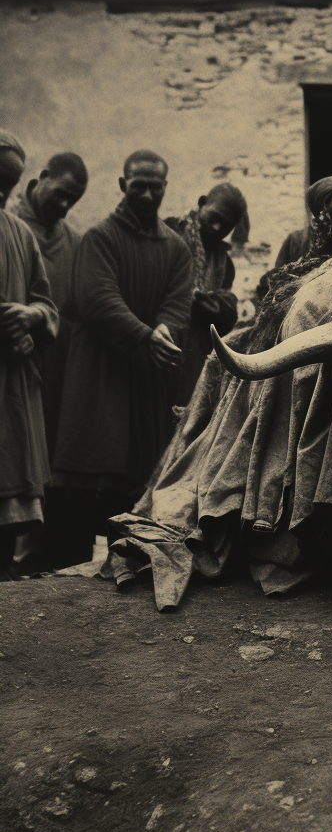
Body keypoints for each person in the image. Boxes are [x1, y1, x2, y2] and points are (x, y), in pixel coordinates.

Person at [50, 150, 193, 566]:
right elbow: (96, 299)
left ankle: (127, 564)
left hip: (146, 377)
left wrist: (166, 329)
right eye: (138, 185)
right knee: (88, 474)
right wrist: (147, 335)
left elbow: (178, 302)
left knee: (138, 478)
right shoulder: (99, 237)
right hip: (99, 375)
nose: (147, 194)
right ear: (122, 185)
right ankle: (66, 566)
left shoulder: (177, 248)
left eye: (155, 186)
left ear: (165, 187)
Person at [0, 132, 59, 576]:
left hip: (12, 396)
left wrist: (30, 317)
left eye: (8, 184)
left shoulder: (19, 234)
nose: (1, 192)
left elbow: (47, 304)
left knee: (6, 521)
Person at [10, 152, 88, 456]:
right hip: (15, 358)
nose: (66, 206)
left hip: (58, 368)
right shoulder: (10, 227)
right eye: (61, 194)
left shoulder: (74, 241)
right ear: (42, 177)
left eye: (74, 200)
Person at [166, 182, 249, 409]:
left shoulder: (225, 263)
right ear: (202, 203)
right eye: (214, 216)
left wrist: (216, 306)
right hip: (161, 347)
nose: (216, 227)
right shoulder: (167, 234)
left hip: (196, 357)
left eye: (226, 225)